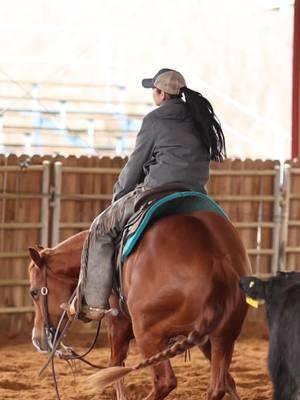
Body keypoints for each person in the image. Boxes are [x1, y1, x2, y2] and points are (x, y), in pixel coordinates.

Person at [64, 68, 226, 321]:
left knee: (100, 228)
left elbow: (135, 165)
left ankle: (93, 303)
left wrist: (118, 196)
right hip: (196, 194)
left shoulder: (155, 120)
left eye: (154, 90)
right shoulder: (199, 118)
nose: (153, 94)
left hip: (157, 191)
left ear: (161, 93)